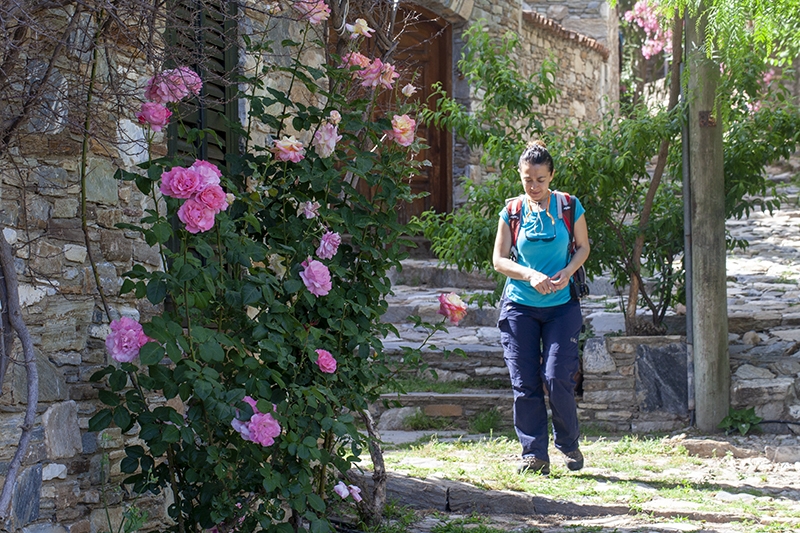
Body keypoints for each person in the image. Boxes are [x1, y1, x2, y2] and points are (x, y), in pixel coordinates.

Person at [492, 140, 590, 475]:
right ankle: (534, 454)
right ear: (520, 177)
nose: (534, 187)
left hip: (561, 307)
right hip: (519, 307)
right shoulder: (512, 212)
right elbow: (499, 260)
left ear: (551, 176)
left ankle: (568, 443)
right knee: (525, 381)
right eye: (527, 180)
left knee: (556, 376)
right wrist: (530, 275)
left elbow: (583, 248)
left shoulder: (569, 206)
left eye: (540, 180)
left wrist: (568, 271)